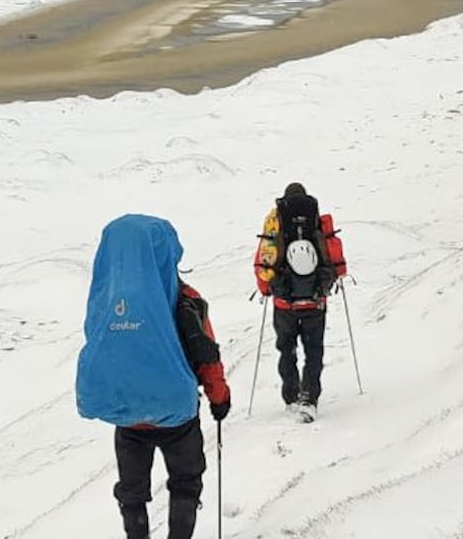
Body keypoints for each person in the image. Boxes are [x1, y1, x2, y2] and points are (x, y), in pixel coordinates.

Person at [76, 214, 231, 539]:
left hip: (127, 417)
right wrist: (219, 397)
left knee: (132, 492)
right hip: (177, 417)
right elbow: (205, 353)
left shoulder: (106, 301)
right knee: (185, 483)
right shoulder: (183, 298)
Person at [253, 182, 347, 422]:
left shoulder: (276, 224)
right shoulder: (318, 223)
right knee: (314, 350)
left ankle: (291, 397)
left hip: (284, 304)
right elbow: (335, 259)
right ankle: (310, 399)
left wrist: (267, 290)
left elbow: (264, 260)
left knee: (287, 350)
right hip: (315, 302)